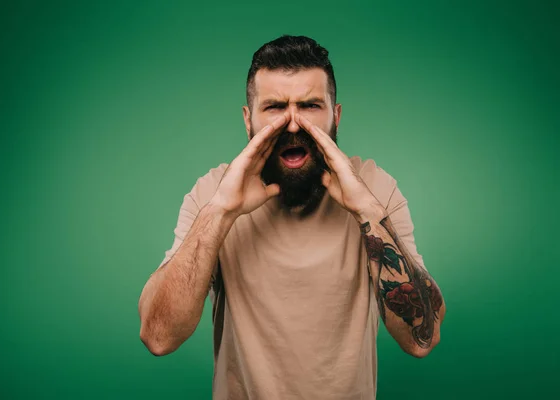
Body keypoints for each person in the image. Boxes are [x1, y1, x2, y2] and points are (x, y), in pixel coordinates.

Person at [138, 35, 446, 400]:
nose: (294, 124)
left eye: (310, 105)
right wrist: (221, 212)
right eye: (275, 107)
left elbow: (420, 338)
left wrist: (367, 210)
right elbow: (158, 336)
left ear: (336, 115)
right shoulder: (213, 193)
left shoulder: (376, 188)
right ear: (247, 118)